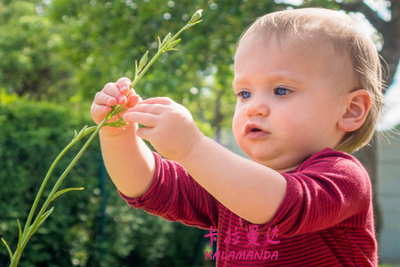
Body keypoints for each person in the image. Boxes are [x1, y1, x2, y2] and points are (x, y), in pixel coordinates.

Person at [90, 7, 382, 266]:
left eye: (282, 90)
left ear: (350, 110)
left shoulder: (343, 177)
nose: (253, 107)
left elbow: (282, 206)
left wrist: (192, 148)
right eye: (244, 93)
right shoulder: (228, 183)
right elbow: (150, 185)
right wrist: (119, 135)